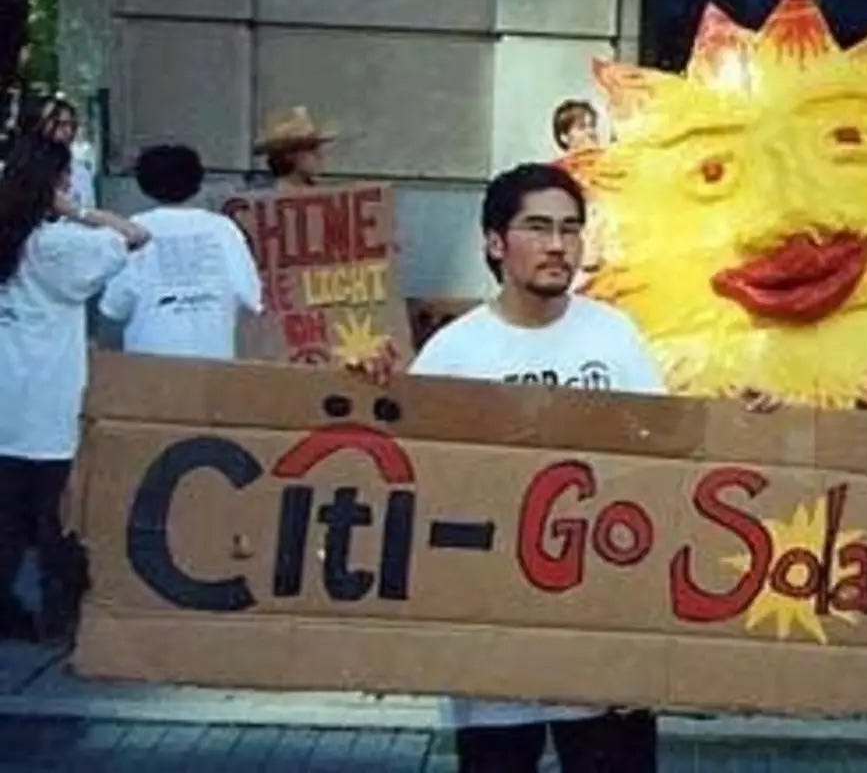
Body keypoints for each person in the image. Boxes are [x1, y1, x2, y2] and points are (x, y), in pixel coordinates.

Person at [353, 162, 777, 773]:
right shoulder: (454, 353)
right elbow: (403, 484)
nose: (558, 245)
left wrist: (742, 421)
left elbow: (666, 459)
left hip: (605, 644)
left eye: (571, 229)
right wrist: (367, 390)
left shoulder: (615, 336)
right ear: (494, 243)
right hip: (493, 652)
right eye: (538, 227)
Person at [0, 136, 149, 642]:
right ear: (56, 183)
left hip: (6, 399)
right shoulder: (57, 246)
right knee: (58, 518)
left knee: (6, 520)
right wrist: (76, 211)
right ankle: (60, 618)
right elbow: (134, 234)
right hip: (50, 400)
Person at [99, 144, 262, 360]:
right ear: (198, 182)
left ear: (143, 183)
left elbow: (116, 303)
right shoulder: (223, 228)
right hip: (215, 354)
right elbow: (249, 294)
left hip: (149, 354)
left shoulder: (134, 228)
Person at [253, 106, 335, 188]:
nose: (319, 154)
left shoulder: (323, 191)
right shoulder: (269, 193)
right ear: (288, 154)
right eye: (311, 147)